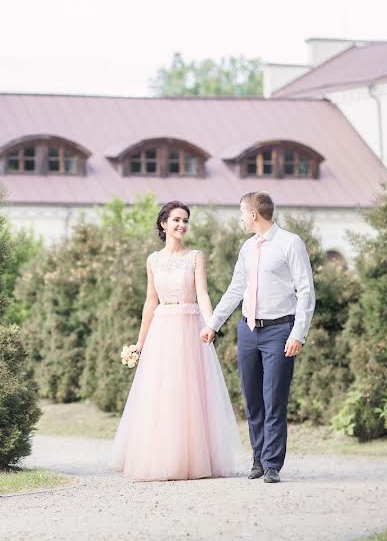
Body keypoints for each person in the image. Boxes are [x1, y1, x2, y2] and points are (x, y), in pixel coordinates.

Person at [109, 201, 242, 481]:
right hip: (162, 329)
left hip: (191, 326)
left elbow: (204, 294)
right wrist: (140, 342)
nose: (182, 225)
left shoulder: (195, 256)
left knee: (189, 391)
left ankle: (191, 459)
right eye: (176, 220)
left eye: (185, 220)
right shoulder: (153, 260)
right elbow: (150, 302)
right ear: (163, 224)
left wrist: (211, 325)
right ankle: (162, 458)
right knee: (162, 393)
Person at [200, 192, 315, 484]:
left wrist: (298, 332)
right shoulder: (247, 248)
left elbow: (306, 291)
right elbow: (235, 289)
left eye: (242, 213)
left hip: (280, 330)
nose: (240, 218)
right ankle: (258, 459)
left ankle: (272, 463)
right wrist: (213, 323)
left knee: (273, 398)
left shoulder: (291, 243)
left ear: (253, 214)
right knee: (252, 399)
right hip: (248, 330)